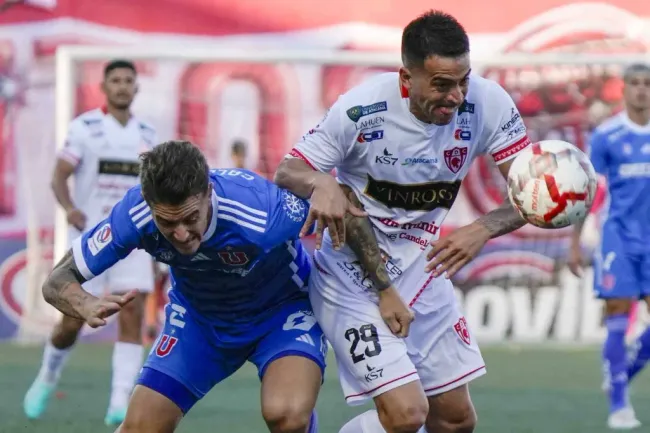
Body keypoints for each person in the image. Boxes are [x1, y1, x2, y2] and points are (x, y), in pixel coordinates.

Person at [275, 10, 533, 433]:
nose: (455, 96)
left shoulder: (488, 103)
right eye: (441, 85)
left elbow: (531, 192)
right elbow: (288, 171)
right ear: (406, 78)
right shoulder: (361, 109)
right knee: (407, 415)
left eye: (463, 81)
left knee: (454, 421)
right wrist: (320, 180)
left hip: (424, 271)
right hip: (351, 278)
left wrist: (484, 226)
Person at [40, 140, 325, 433]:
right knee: (140, 428)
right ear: (149, 205)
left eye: (191, 218)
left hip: (280, 315)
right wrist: (85, 303)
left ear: (208, 192)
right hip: (198, 321)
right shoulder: (134, 214)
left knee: (287, 415)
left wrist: (374, 289)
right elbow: (57, 279)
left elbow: (338, 217)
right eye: (166, 222)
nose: (181, 234)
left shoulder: (262, 209)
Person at [24, 59, 158, 425]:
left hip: (133, 239)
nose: (122, 86)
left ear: (136, 87)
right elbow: (59, 175)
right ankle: (47, 376)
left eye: (128, 80)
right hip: (89, 242)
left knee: (131, 314)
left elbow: (156, 188)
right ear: (104, 86)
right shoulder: (84, 128)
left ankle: (119, 403)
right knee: (71, 322)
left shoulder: (148, 134)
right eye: (115, 80)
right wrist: (69, 208)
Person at [569, 63, 650, 430]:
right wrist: (574, 242)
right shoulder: (607, 135)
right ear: (624, 90)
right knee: (617, 316)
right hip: (619, 237)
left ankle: (622, 372)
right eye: (634, 84)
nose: (641, 91)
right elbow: (587, 190)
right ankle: (619, 405)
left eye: (647, 84)